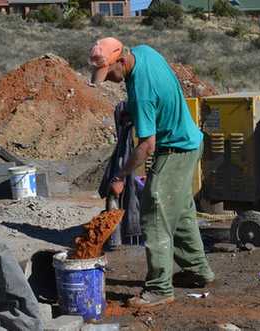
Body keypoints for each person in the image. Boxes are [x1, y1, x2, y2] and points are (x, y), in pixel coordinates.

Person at [88, 37, 215, 308]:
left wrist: (120, 176)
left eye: (109, 73)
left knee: (154, 211)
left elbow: (147, 146)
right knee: (179, 211)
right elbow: (160, 98)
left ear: (121, 60)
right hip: (190, 140)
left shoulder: (142, 91)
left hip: (175, 149)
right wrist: (135, 112)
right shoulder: (145, 52)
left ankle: (159, 289)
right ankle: (198, 271)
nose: (109, 79)